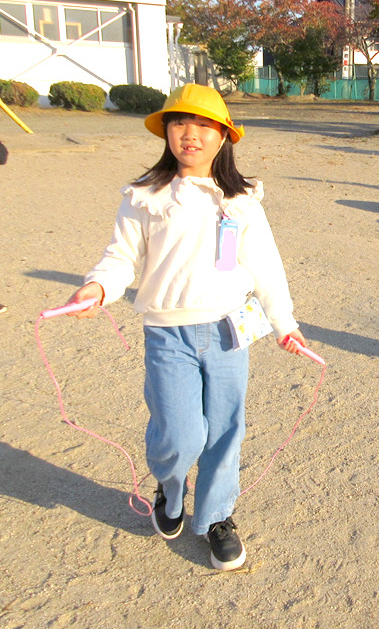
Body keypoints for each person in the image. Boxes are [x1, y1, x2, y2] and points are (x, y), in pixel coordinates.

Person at [65, 84, 309, 570]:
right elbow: (120, 259)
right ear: (166, 132)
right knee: (179, 435)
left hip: (227, 332)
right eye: (179, 123)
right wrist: (97, 288)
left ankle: (216, 517)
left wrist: (285, 323)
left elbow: (266, 267)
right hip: (167, 334)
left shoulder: (241, 201)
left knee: (224, 431)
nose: (189, 134)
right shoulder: (146, 197)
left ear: (224, 137)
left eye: (203, 125)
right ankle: (170, 491)